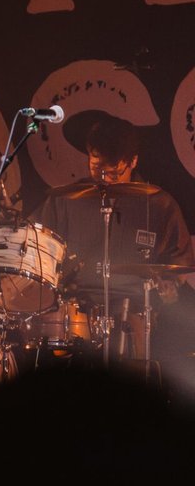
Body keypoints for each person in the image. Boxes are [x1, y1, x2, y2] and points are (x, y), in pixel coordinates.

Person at [31, 118, 195, 364]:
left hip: (133, 308)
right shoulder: (66, 200)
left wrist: (169, 285)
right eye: (97, 168)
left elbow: (178, 261)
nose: (105, 178)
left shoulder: (159, 205)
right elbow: (35, 239)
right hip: (75, 308)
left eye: (114, 172)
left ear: (133, 161)